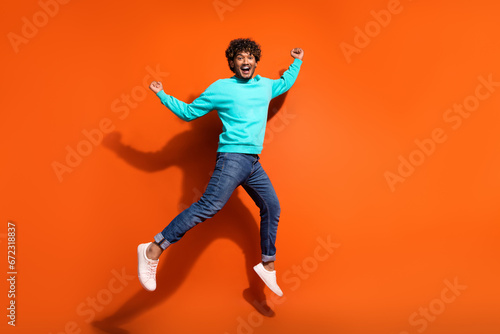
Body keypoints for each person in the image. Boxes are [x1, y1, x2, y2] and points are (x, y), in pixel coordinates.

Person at [138, 38, 304, 296]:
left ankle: (268, 265)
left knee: (271, 206)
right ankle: (152, 249)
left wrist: (297, 61)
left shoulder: (265, 86)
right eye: (240, 58)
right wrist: (163, 95)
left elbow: (285, 83)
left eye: (250, 57)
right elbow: (189, 112)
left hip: (252, 162)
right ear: (233, 63)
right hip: (232, 158)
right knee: (208, 207)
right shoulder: (221, 88)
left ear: (256, 62)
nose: (245, 61)